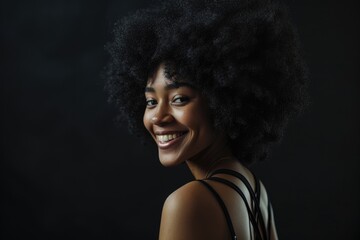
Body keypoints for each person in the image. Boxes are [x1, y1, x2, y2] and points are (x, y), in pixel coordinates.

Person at [105, 0, 308, 239]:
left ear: (224, 99)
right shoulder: (255, 192)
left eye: (179, 98)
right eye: (151, 101)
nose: (158, 116)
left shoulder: (187, 203)